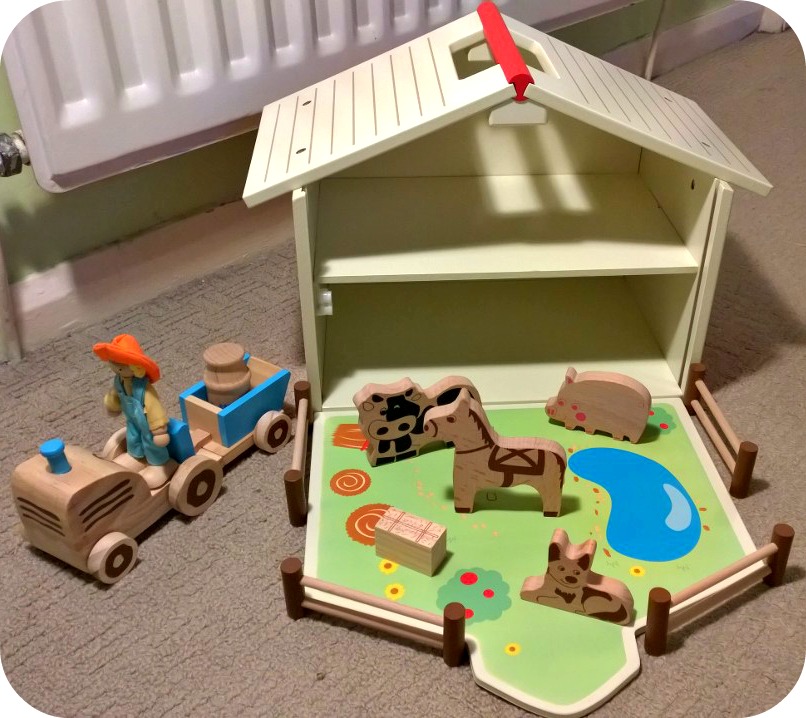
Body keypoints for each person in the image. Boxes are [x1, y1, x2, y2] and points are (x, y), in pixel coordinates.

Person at [93, 334, 176, 488]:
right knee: (133, 437)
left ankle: (161, 462)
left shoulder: (144, 388)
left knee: (150, 441)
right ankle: (136, 456)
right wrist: (112, 404)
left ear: (135, 367)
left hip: (148, 425)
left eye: (120, 364)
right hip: (132, 420)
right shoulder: (119, 380)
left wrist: (159, 430)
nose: (115, 366)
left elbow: (154, 407)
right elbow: (115, 393)